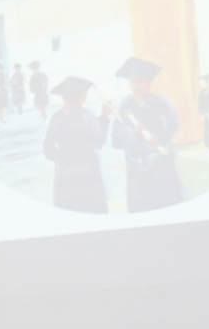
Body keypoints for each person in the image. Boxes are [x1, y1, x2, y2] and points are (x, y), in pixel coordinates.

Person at [110, 56, 184, 211]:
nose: (136, 86)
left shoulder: (159, 102)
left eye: (140, 82)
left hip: (160, 164)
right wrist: (133, 133)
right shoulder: (125, 106)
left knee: (167, 204)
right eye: (132, 82)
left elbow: (173, 123)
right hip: (137, 169)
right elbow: (116, 138)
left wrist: (160, 137)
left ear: (148, 83)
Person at [43, 76, 111, 213]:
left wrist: (63, 159)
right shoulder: (87, 116)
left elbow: (47, 150)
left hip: (65, 176)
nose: (85, 98)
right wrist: (104, 118)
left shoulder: (56, 118)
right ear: (77, 97)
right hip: (88, 174)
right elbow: (99, 142)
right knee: (93, 211)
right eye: (83, 95)